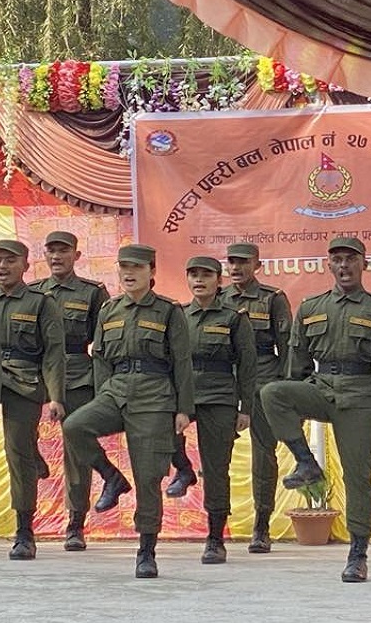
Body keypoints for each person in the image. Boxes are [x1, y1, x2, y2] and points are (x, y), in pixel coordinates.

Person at [259, 237, 371, 583]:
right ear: (329, 265)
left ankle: (358, 552)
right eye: (338, 260)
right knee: (273, 393)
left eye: (351, 260)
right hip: (322, 387)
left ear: (364, 265)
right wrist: (297, 402)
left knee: (358, 477)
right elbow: (297, 360)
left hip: (360, 395)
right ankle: (306, 463)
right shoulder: (311, 307)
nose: (344, 266)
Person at [61, 244, 194, 579]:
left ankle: (146, 550)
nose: (129, 273)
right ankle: (111, 477)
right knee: (75, 426)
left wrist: (183, 409)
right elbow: (101, 358)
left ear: (152, 271)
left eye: (136, 267)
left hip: (154, 395)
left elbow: (182, 362)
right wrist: (102, 395)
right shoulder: (110, 309)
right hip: (116, 389)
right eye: (124, 267)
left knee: (148, 478)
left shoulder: (168, 311)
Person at [30, 231, 131, 552]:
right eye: (51, 251)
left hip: (76, 372)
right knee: (18, 434)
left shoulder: (91, 292)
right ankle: (32, 460)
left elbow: (103, 343)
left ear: (76, 255)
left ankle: (75, 524)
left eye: (63, 251)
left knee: (76, 450)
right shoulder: (32, 292)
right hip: (35, 371)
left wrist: (103, 387)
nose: (56, 257)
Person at [0, 239, 66, 561]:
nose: (3, 266)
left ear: (25, 266)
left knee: (16, 453)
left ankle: (24, 532)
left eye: (10, 261)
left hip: (24, 381)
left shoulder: (40, 303)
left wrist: (56, 396)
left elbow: (54, 353)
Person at [174, 256, 257, 564]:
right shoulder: (178, 315)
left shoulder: (233, 318)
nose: (199, 280)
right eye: (193, 275)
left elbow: (247, 365)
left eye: (206, 275)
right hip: (185, 393)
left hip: (220, 395)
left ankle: (215, 538)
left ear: (218, 280)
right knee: (162, 437)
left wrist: (245, 407)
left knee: (216, 468)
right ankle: (183, 469)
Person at [220, 242, 292, 554]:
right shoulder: (219, 298)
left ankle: (262, 525)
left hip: (264, 377)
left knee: (264, 453)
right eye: (232, 262)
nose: (237, 268)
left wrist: (286, 388)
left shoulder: (272, 298)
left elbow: (286, 347)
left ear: (257, 265)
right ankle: (216, 522)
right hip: (227, 377)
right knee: (218, 453)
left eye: (244, 262)